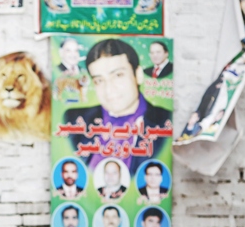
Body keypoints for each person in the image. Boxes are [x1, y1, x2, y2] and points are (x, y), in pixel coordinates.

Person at [63, 38, 172, 173]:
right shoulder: (73, 119)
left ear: (138, 75)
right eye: (99, 80)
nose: (109, 89)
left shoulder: (165, 121)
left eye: (118, 75)